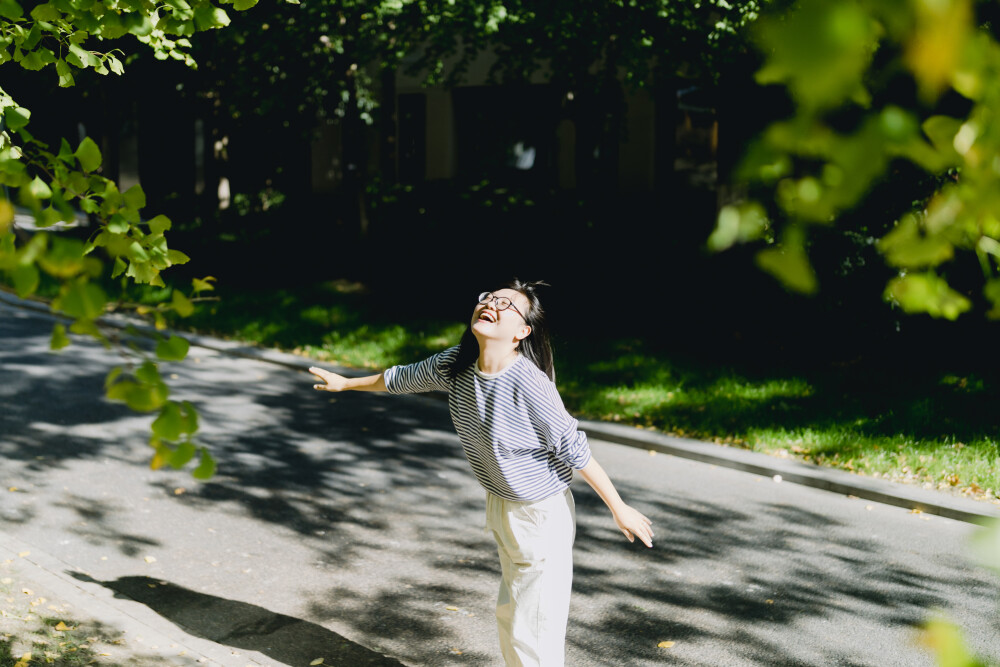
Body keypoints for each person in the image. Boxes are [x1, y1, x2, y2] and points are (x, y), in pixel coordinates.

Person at [308, 279, 653, 667]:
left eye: (507, 304)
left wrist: (618, 507)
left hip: (539, 515)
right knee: (512, 616)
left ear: (522, 332)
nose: (492, 304)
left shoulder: (529, 384)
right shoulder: (456, 365)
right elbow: (400, 378)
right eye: (489, 298)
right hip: (503, 504)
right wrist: (346, 383)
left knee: (533, 631)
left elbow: (575, 448)